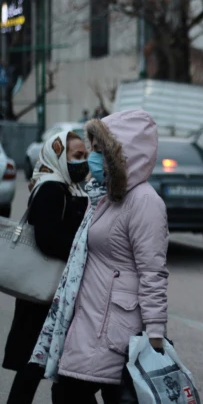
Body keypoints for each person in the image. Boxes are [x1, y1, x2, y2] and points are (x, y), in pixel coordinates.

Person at [29, 110, 169, 404]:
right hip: (89, 319)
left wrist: (156, 335)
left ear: (119, 154)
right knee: (68, 392)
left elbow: (153, 272)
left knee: (70, 393)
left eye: (97, 149)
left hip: (114, 327)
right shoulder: (105, 196)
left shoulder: (145, 202)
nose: (91, 156)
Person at [3, 131, 92, 404]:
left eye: (86, 156)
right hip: (44, 293)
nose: (84, 162)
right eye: (77, 156)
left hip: (56, 292)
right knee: (33, 366)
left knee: (46, 368)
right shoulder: (52, 188)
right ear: (58, 157)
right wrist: (81, 252)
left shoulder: (69, 187)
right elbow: (46, 239)